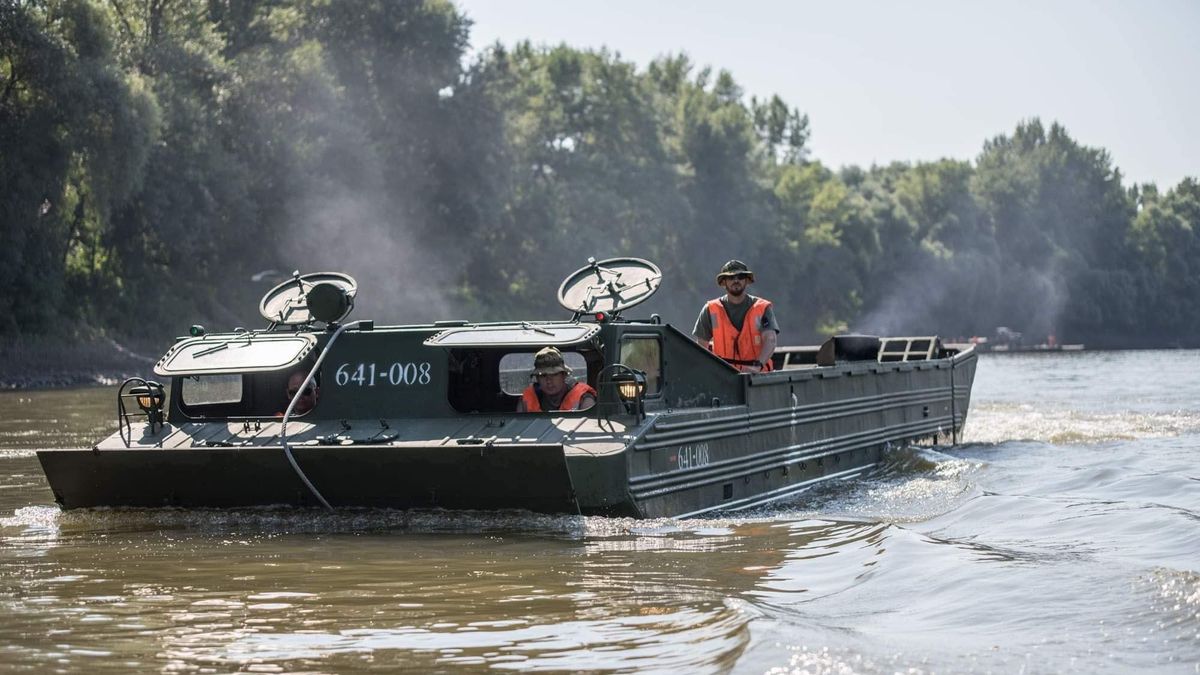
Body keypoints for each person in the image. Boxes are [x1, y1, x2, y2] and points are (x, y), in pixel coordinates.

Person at [693, 259, 779, 373]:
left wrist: (757, 366)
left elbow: (770, 340)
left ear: (747, 280)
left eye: (740, 277)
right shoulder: (710, 309)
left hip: (757, 377)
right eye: (731, 277)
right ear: (724, 282)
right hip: (723, 376)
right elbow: (701, 346)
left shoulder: (762, 308)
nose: (736, 280)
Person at [517, 347, 597, 412]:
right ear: (537, 378)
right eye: (543, 375)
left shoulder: (584, 399)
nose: (549, 381)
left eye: (554, 374)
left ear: (564, 375)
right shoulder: (526, 400)